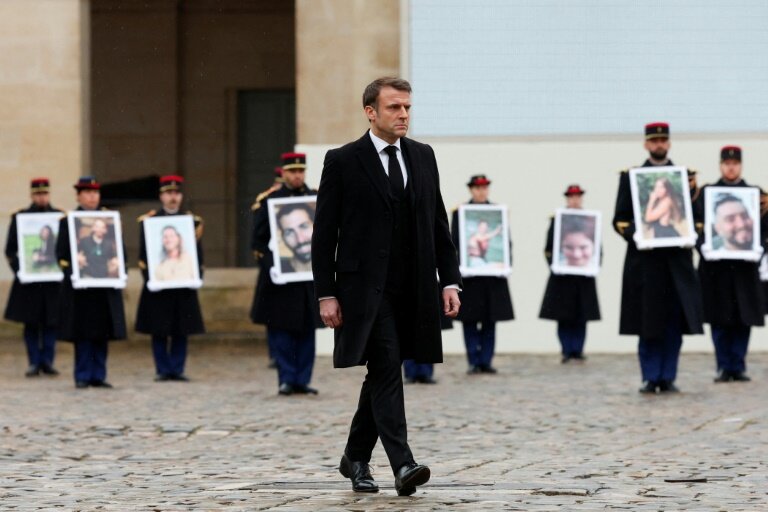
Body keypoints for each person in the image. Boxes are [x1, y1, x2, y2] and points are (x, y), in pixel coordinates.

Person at [312, 77, 462, 496]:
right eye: (395, 107)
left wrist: (449, 281)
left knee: (382, 371)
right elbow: (324, 234)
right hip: (364, 292)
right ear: (370, 112)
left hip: (412, 288)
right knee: (387, 365)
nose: (403, 115)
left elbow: (438, 224)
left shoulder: (423, 156)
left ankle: (355, 458)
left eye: (408, 108)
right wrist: (326, 292)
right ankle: (403, 464)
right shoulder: (342, 161)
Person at [613, 122, 703, 394]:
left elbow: (697, 219)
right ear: (646, 144)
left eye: (663, 140)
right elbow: (620, 219)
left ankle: (668, 376)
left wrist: (691, 235)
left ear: (669, 143)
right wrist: (637, 236)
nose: (659, 145)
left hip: (676, 263)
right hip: (646, 263)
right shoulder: (632, 177)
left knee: (674, 322)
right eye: (654, 141)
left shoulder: (684, 178)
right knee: (647, 321)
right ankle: (650, 376)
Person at [693, 146, 767, 382]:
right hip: (716, 269)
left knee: (743, 318)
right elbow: (694, 224)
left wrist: (760, 248)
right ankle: (723, 366)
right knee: (719, 318)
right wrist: (703, 246)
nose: (731, 167)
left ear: (741, 165)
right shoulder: (706, 194)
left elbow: (764, 230)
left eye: (735, 163)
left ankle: (738, 364)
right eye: (727, 163)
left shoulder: (757, 195)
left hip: (745, 268)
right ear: (721, 165)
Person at [251, 152, 322, 396]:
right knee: (281, 331)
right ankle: (286, 378)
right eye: (292, 171)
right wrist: (273, 265)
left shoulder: (315, 199)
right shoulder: (270, 200)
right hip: (280, 281)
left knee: (306, 331)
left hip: (307, 280)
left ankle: (302, 379)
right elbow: (258, 242)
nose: (296, 176)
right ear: (283, 173)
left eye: (300, 171)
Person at [56, 177, 126, 389]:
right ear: (78, 196)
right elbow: (61, 255)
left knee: (102, 332)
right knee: (83, 333)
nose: (91, 196)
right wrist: (75, 268)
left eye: (95, 192)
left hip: (104, 287)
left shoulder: (110, 221)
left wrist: (118, 267)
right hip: (82, 288)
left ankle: (99, 374)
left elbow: (119, 251)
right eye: (86, 192)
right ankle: (82, 374)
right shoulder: (68, 221)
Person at [136, 176, 205, 382]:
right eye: (168, 194)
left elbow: (198, 254)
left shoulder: (192, 222)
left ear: (181, 196)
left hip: (183, 283)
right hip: (159, 284)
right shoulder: (149, 221)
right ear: (161, 196)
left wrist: (197, 275)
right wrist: (150, 279)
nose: (172, 197)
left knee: (181, 328)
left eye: (176, 193)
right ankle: (162, 368)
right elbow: (143, 255)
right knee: (159, 329)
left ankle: (177, 368)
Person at [451, 175, 514, 375]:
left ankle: (486, 360)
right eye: (477, 188)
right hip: (469, 277)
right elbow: (453, 244)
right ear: (471, 190)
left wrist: (505, 265)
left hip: (491, 278)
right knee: (469, 321)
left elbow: (506, 243)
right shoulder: (460, 213)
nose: (481, 191)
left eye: (484, 187)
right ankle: (473, 360)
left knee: (490, 320)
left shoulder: (497, 212)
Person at [4, 178, 62, 377]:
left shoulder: (59, 217)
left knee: (51, 323)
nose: (41, 197)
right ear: (31, 195)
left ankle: (48, 361)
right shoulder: (20, 217)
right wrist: (21, 270)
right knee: (31, 323)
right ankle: (33, 361)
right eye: (38, 194)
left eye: (44, 194)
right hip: (29, 282)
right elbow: (10, 251)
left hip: (52, 281)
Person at [539, 185, 601, 363]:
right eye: (572, 197)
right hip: (563, 277)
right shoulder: (558, 219)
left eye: (578, 197)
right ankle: (566, 350)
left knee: (582, 316)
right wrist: (556, 266)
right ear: (567, 199)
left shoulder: (590, 220)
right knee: (563, 316)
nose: (575, 200)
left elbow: (598, 248)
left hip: (584, 276)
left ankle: (578, 350)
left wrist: (594, 265)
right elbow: (549, 248)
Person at [251, 165, 285, 369]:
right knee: (273, 315)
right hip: (273, 269)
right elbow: (258, 241)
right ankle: (275, 353)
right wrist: (271, 265)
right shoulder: (266, 201)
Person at [275, 202, 315, 273]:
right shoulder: (279, 270)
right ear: (283, 238)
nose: (300, 240)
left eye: (304, 226)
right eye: (289, 232)